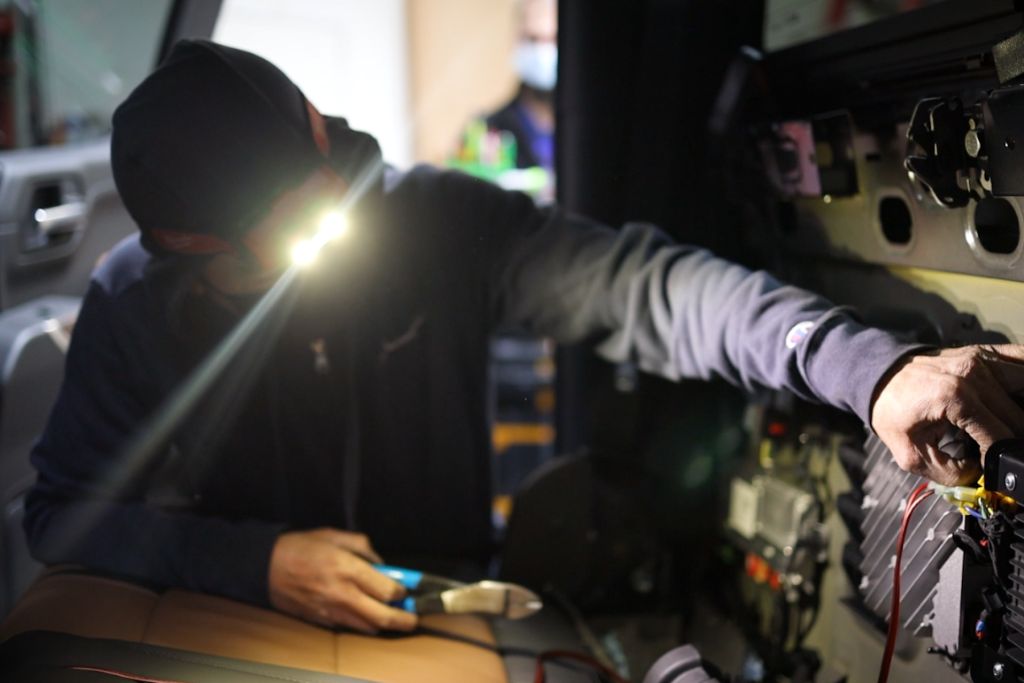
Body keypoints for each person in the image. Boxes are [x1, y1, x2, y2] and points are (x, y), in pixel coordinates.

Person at [22, 40, 1024, 637]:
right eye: (273, 242)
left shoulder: (433, 224)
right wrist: (254, 562)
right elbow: (60, 517)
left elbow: (654, 289)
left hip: (451, 598)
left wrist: (871, 368)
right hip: (255, 615)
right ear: (185, 253)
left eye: (317, 205)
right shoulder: (134, 306)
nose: (315, 245)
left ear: (323, 137)